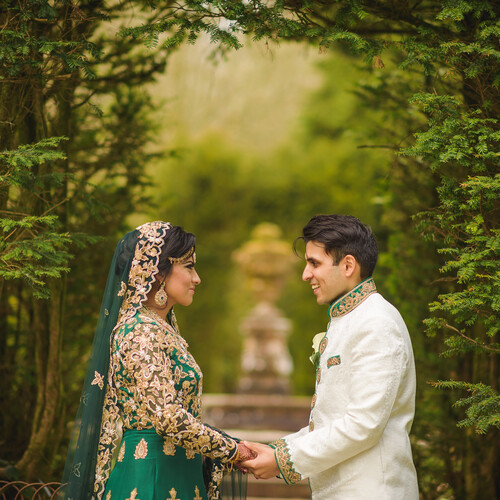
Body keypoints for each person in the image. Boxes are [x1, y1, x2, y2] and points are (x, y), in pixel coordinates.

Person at [60, 221, 252, 500]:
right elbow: (167, 418)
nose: (197, 278)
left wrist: (229, 445)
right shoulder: (139, 331)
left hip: (179, 476)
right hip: (149, 481)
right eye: (189, 267)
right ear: (158, 273)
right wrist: (231, 449)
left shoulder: (161, 330)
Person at [241, 214, 419, 499]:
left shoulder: (376, 323)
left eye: (314, 263)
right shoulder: (350, 318)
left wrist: (282, 460)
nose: (305, 274)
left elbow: (363, 424)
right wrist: (277, 450)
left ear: (348, 265)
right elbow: (331, 420)